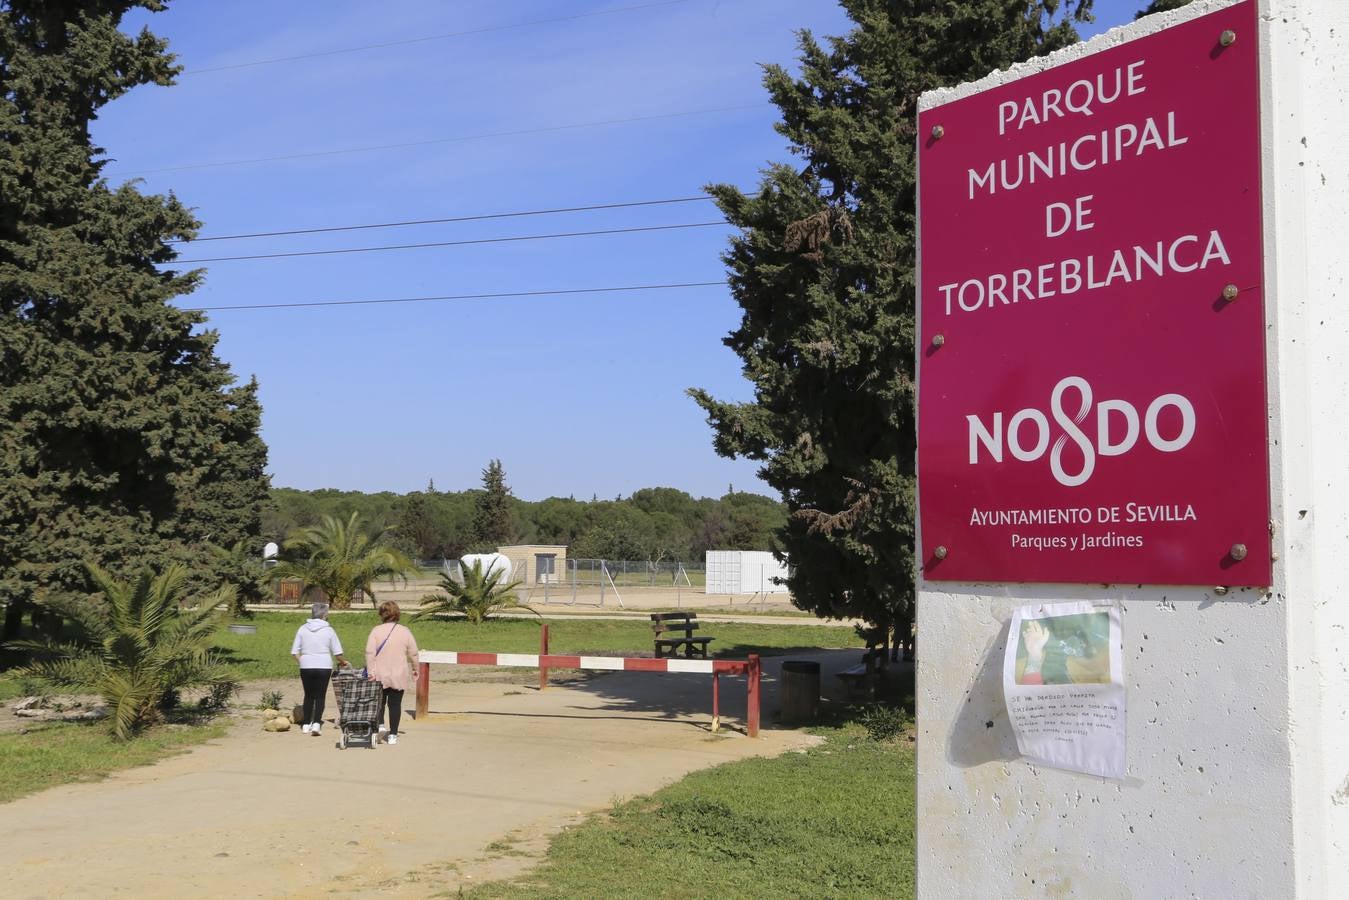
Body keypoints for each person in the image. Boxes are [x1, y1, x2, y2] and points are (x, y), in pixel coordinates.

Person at [364, 600, 419, 745]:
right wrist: (415, 668)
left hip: (379, 674)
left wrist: (370, 671)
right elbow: (413, 653)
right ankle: (393, 734)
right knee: (395, 705)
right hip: (398, 673)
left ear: (382, 614)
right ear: (397, 614)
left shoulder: (376, 631)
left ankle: (381, 726)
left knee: (379, 703)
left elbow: (370, 652)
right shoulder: (405, 631)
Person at [291, 602, 347, 736]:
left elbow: (294, 652)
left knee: (308, 695)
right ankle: (316, 723)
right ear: (324, 615)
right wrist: (343, 662)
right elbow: (337, 653)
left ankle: (305, 724)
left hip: (306, 666)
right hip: (324, 666)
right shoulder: (329, 630)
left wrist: (302, 661)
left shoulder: (303, 629)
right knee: (320, 696)